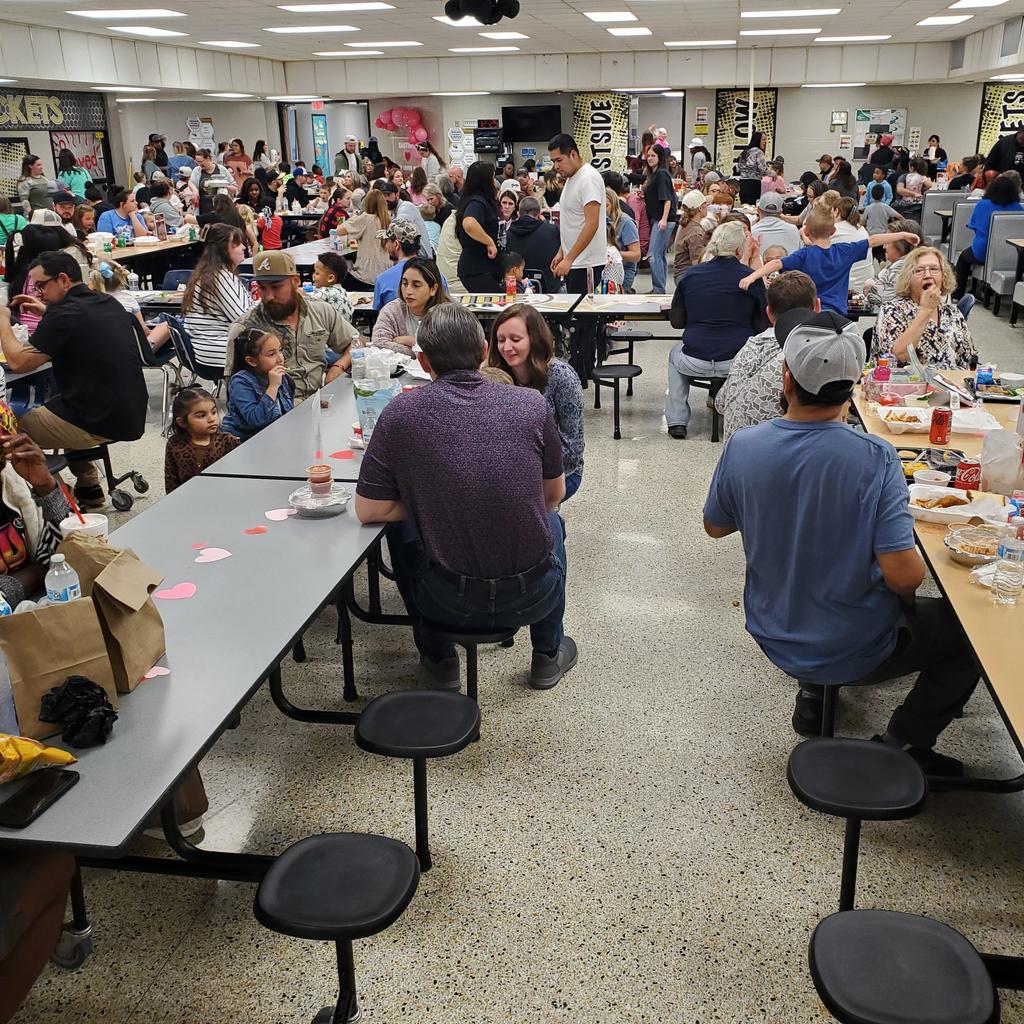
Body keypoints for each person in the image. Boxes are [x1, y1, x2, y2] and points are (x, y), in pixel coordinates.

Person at [704, 310, 977, 773]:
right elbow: (904, 577)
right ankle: (904, 741)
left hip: (772, 628)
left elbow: (715, 526)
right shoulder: (875, 457)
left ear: (786, 378)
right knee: (966, 636)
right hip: (855, 642)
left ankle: (814, 691)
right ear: (853, 388)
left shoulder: (744, 445)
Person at [356, 302, 576, 691]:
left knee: (402, 530)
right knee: (552, 522)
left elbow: (369, 509)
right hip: (533, 595)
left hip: (444, 600)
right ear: (484, 352)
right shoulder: (532, 405)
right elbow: (554, 494)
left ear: (423, 361)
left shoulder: (400, 413)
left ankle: (439, 660)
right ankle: (547, 653)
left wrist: (433, 502)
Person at [0, 251, 147, 507]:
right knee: (62, 404)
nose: (38, 293)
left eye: (41, 286)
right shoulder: (106, 302)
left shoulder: (64, 315)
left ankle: (58, 496)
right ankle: (89, 485)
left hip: (98, 417)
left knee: (11, 432)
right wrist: (45, 311)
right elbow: (79, 327)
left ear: (63, 279)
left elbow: (18, 362)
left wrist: (2, 321)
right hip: (129, 410)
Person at [665, 222, 769, 440]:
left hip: (695, 358)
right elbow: (762, 326)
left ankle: (677, 421)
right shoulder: (751, 278)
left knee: (675, 355)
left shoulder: (691, 276)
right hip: (736, 360)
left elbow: (676, 322)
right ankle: (742, 416)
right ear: (739, 250)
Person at [227, 250, 356, 398]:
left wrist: (339, 366)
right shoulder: (245, 329)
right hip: (275, 408)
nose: (269, 296)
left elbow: (355, 342)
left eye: (276, 287)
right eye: (262, 287)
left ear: (295, 281)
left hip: (319, 400)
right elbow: (235, 392)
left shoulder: (320, 311)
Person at [740, 210, 919, 315]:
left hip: (810, 314)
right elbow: (873, 240)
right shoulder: (844, 251)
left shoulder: (804, 255)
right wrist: (903, 235)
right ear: (833, 231)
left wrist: (752, 276)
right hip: (838, 315)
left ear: (806, 232)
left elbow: (776, 264)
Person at [489, 303, 584, 500]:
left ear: (535, 339)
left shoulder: (562, 377)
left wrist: (524, 465)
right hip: (512, 469)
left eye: (516, 339)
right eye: (501, 340)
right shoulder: (494, 375)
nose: (506, 347)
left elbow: (572, 448)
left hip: (559, 473)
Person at [715, 271, 819, 442]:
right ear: (817, 307)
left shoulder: (749, 348)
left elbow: (720, 403)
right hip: (779, 449)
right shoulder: (805, 354)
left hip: (733, 451)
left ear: (769, 313)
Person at [548, 133, 606, 381]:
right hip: (575, 259)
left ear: (573, 154)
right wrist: (561, 251)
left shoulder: (588, 178)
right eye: (553, 161)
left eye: (559, 160)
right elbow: (572, 222)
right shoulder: (572, 179)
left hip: (587, 264)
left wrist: (570, 258)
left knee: (583, 323)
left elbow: (592, 224)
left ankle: (582, 374)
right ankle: (580, 370)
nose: (556, 166)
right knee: (576, 321)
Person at [0, 425, 73, 609]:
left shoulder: (11, 480)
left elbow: (72, 551)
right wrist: (39, 571)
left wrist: (46, 486)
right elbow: (50, 565)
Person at [874, 246, 977, 369]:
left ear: (943, 276)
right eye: (919, 270)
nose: (928, 275)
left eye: (934, 269)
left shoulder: (953, 313)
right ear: (908, 278)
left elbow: (970, 360)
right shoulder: (891, 310)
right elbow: (898, 356)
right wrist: (925, 310)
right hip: (906, 380)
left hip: (951, 380)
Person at [182, 224, 254, 369]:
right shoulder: (220, 278)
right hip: (220, 353)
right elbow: (243, 319)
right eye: (237, 244)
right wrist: (267, 303)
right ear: (223, 250)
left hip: (206, 351)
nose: (243, 248)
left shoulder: (208, 273)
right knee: (278, 350)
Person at [952, 172, 1024, 299]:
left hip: (983, 251)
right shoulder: (1018, 208)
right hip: (1012, 253)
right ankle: (982, 289)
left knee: (963, 259)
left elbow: (974, 226)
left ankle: (958, 294)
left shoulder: (983, 204)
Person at [220, 328, 294, 443]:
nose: (280, 359)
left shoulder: (279, 376)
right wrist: (273, 387)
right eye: (271, 354)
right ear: (252, 361)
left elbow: (287, 411)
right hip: (243, 442)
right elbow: (256, 420)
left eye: (280, 350)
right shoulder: (240, 382)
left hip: (271, 436)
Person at [163, 385, 240, 494]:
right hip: (187, 499)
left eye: (213, 412)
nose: (211, 419)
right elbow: (171, 478)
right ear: (182, 422)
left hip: (222, 496)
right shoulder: (175, 444)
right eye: (201, 416)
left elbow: (239, 475)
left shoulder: (228, 441)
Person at [371, 257, 450, 359]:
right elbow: (379, 344)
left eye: (416, 285)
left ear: (433, 289)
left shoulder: (447, 315)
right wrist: (422, 351)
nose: (408, 291)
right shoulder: (392, 310)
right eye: (405, 284)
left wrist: (411, 341)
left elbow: (447, 350)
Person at [88, 257, 171, 350]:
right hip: (132, 351)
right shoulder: (128, 299)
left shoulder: (88, 302)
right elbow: (143, 331)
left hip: (100, 351)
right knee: (167, 324)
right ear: (120, 278)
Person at [373, 219, 449, 307]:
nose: (385, 246)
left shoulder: (382, 279)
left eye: (387, 241)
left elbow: (378, 311)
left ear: (396, 244)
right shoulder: (438, 276)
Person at [332, 188, 392, 291]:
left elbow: (339, 231)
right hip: (385, 275)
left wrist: (356, 216)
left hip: (366, 277)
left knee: (337, 277)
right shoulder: (388, 220)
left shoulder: (365, 218)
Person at [455, 161, 501, 291]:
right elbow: (469, 223)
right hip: (477, 269)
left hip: (479, 268)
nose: (494, 181)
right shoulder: (477, 202)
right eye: (492, 177)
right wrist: (489, 242)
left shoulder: (474, 200)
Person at [505, 196, 562, 294]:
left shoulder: (507, 235)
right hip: (549, 291)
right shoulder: (553, 231)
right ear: (539, 214)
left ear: (518, 214)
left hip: (517, 290)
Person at [863, 217, 920, 311]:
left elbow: (878, 296)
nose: (884, 247)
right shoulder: (904, 262)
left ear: (901, 246)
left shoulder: (903, 266)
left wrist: (870, 284)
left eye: (887, 242)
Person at [643, 145, 678, 294]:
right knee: (659, 254)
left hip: (663, 220)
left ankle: (658, 289)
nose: (650, 158)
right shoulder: (655, 174)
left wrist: (663, 219)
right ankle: (659, 288)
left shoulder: (661, 174)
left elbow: (667, 199)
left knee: (653, 254)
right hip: (659, 219)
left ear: (660, 157)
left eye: (653, 156)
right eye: (649, 155)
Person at [379, 180, 432, 258]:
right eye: (382, 196)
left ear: (397, 195)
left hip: (421, 257)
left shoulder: (406, 207)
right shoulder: (393, 211)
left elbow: (397, 228)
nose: (385, 199)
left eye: (388, 195)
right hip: (412, 257)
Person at [832, 198, 873, 294]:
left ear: (837, 211)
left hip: (846, 286)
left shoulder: (834, 230)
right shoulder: (862, 229)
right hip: (866, 282)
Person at [606, 188, 641, 293]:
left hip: (623, 270)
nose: (602, 210)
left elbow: (636, 255)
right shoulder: (599, 221)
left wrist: (613, 254)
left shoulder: (626, 223)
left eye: (606, 206)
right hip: (605, 270)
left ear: (614, 205)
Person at [672, 190, 711, 283]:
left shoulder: (685, 224)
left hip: (681, 273)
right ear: (700, 208)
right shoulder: (695, 232)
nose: (707, 206)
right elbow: (697, 263)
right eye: (705, 204)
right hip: (687, 275)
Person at [188, 149, 236, 216]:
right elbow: (191, 182)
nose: (199, 164)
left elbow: (234, 187)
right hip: (203, 208)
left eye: (201, 161)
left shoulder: (221, 169)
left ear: (208, 158)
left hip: (221, 208)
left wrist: (223, 185)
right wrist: (194, 190)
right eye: (197, 162)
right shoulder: (197, 170)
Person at [308, 253, 354, 320]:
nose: (313, 275)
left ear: (330, 278)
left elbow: (304, 299)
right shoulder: (342, 291)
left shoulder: (327, 293)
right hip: (346, 326)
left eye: (317, 273)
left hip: (331, 326)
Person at [497, 185, 519, 251]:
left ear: (515, 207)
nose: (507, 207)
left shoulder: (517, 223)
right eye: (504, 203)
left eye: (510, 204)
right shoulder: (493, 221)